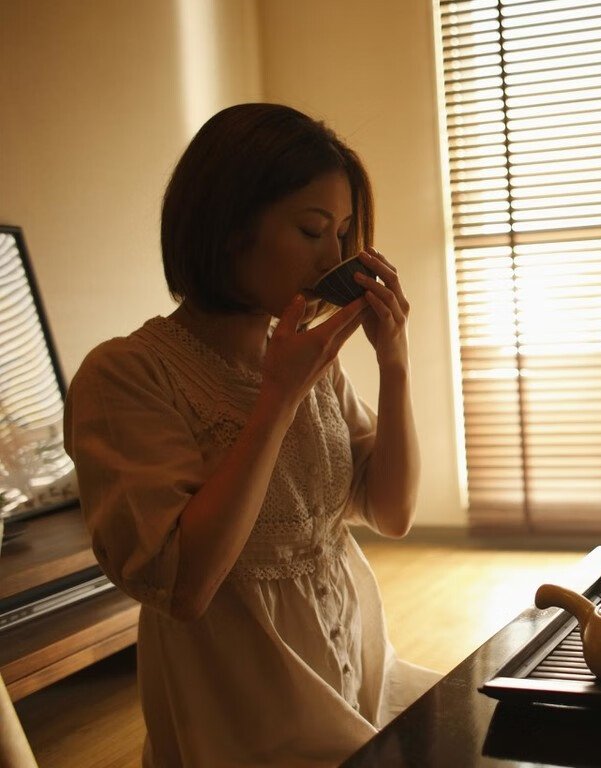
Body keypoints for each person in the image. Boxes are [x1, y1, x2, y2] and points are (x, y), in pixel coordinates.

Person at [63, 103, 438, 767]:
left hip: (360, 684)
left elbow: (393, 511)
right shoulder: (126, 375)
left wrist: (395, 362)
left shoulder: (303, 357)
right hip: (247, 724)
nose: (337, 259)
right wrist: (278, 396)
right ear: (230, 228)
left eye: (346, 233)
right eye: (312, 230)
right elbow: (185, 584)